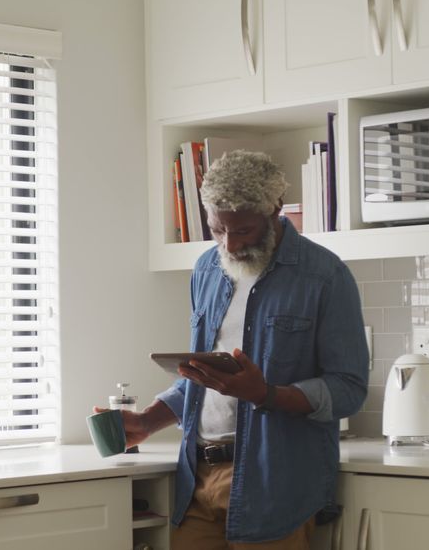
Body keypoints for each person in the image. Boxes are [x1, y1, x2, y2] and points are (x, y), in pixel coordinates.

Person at [105, 150, 369, 548]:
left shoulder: (325, 276)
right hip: (197, 479)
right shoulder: (206, 269)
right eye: (217, 230)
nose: (229, 244)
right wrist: (147, 421)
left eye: (244, 231)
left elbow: (349, 388)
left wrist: (264, 394)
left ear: (275, 210)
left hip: (274, 486)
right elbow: (205, 379)